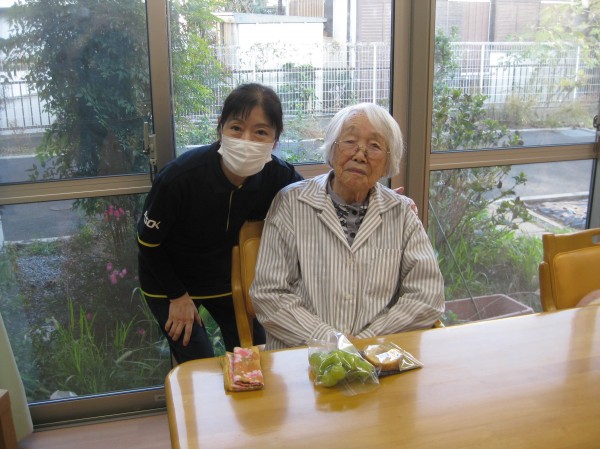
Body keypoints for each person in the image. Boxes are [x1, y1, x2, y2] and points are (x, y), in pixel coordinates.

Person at [250, 102, 445, 350]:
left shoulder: (401, 213)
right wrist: (333, 341)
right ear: (332, 149)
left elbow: (427, 294)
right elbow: (269, 293)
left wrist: (368, 340)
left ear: (388, 162)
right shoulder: (291, 203)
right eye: (350, 141)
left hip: (378, 355)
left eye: (374, 146)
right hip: (303, 357)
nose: (359, 155)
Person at [137, 83, 302, 363]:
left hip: (226, 279)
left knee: (254, 357)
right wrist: (177, 296)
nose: (246, 140)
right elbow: (148, 244)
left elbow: (315, 204)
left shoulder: (279, 176)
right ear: (220, 128)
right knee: (198, 361)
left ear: (275, 140)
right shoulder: (179, 177)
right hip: (169, 278)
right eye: (236, 128)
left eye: (260, 132)